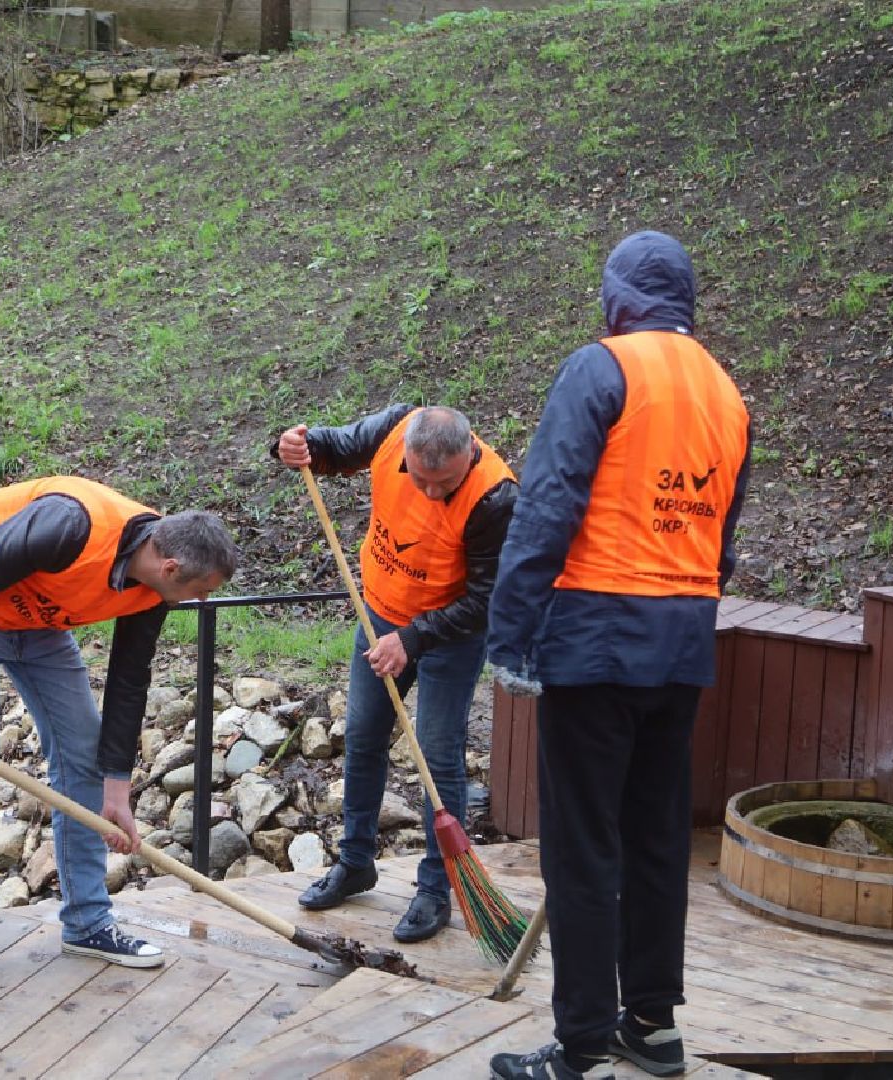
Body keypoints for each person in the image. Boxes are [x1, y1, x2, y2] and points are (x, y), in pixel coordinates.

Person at [485, 231, 752, 1080]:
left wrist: (509, 632)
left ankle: (581, 1045)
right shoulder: (725, 392)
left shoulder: (601, 369)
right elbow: (724, 538)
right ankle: (652, 1025)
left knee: (581, 844)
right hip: (682, 642)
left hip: (597, 640)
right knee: (655, 836)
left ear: (616, 297)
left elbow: (547, 507)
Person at [0, 477, 237, 984]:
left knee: (83, 758)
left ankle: (88, 922)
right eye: (200, 593)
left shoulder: (152, 588)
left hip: (38, 621)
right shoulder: (68, 526)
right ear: (172, 568)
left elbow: (130, 679)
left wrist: (116, 789)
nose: (199, 602)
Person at [274, 405, 517, 943]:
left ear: (469, 454)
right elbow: (331, 446)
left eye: (444, 483)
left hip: (448, 636)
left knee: (437, 752)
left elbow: (486, 600)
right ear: (406, 449)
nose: (429, 493)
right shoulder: (393, 430)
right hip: (379, 613)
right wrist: (295, 444)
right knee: (362, 738)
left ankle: (436, 888)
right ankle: (356, 861)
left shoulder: (496, 498)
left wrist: (413, 640)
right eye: (419, 478)